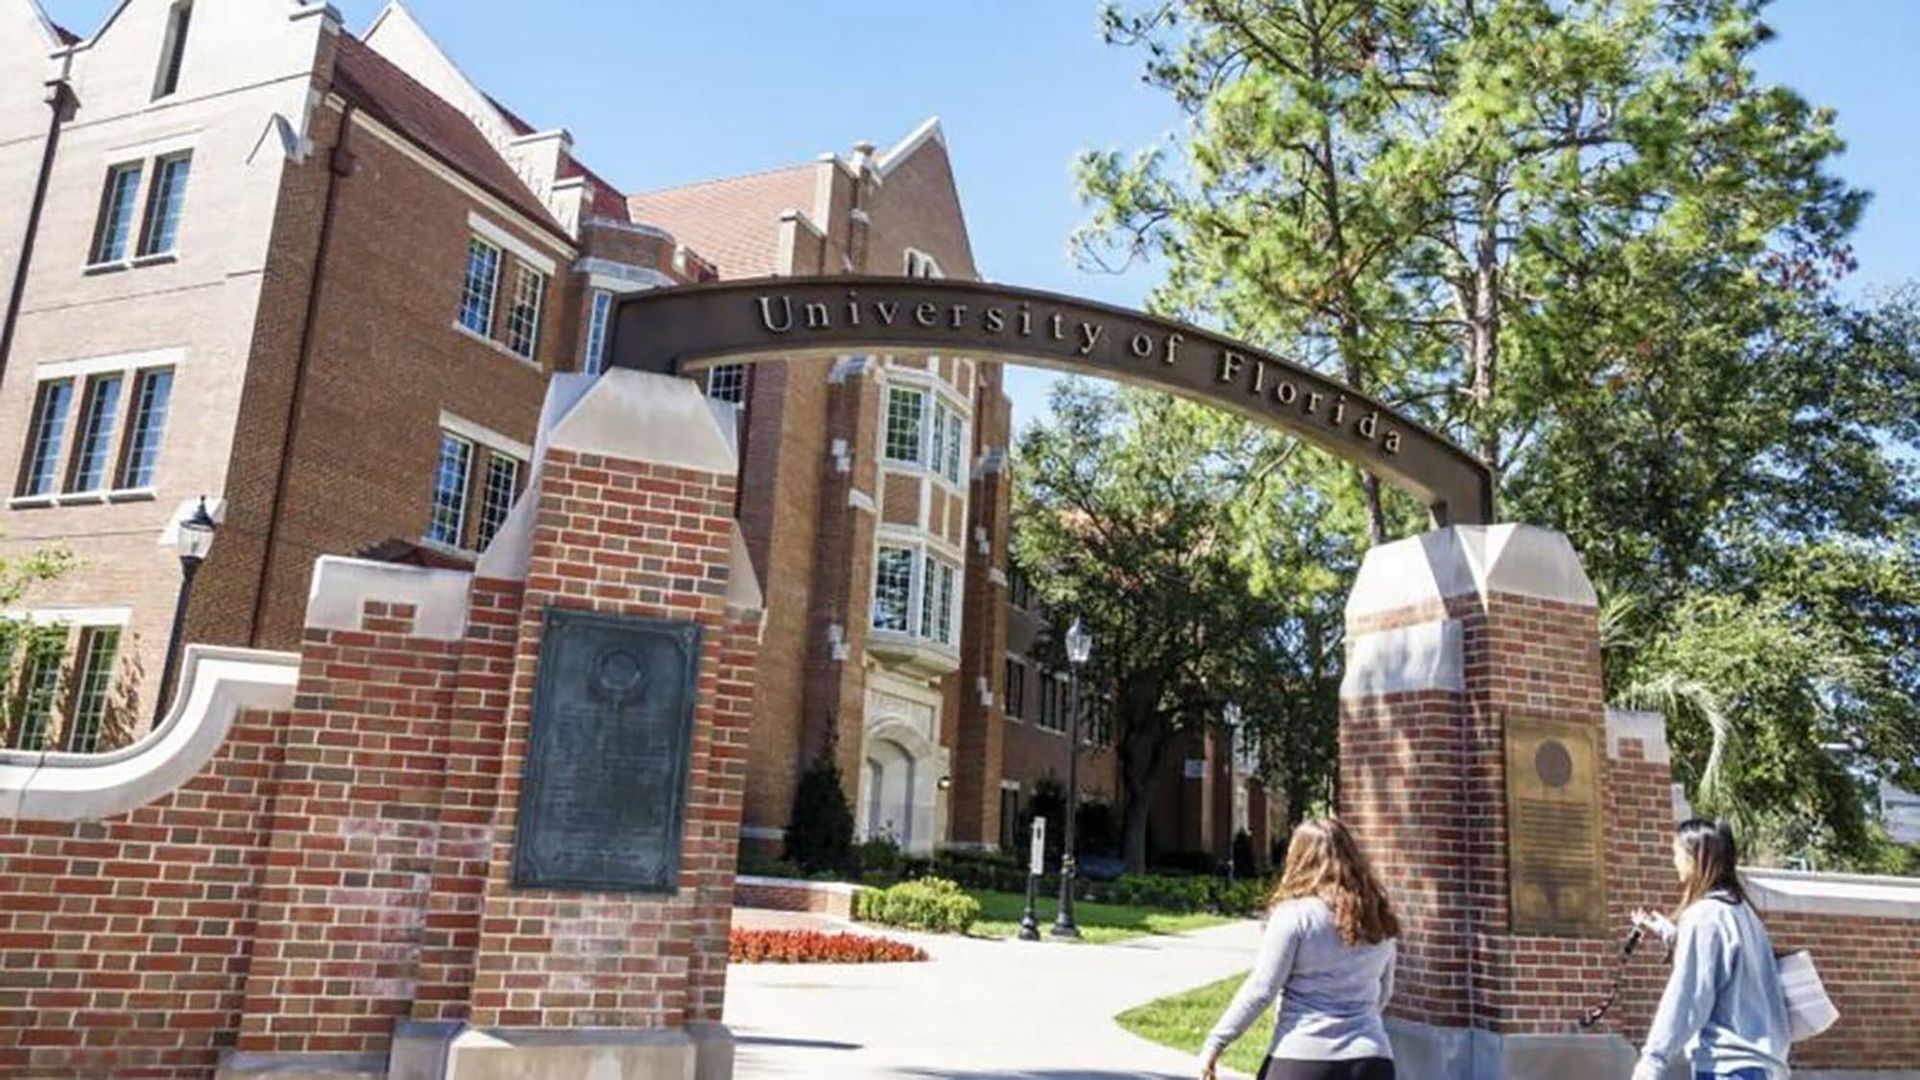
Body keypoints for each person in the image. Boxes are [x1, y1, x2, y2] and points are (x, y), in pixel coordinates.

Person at [1199, 818, 1398, 1080]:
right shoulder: (1377, 916)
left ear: (1298, 858)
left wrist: (1216, 1042)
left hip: (1303, 1057)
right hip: (1372, 1059)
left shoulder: (1294, 915)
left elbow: (1261, 989)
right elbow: (1384, 993)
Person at [1632, 818, 1792, 1080]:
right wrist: (1668, 932)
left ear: (1697, 857)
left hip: (1729, 1066)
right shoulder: (1743, 913)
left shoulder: (1704, 915)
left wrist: (1652, 1059)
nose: (1674, 862)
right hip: (1765, 1063)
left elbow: (1689, 994)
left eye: (1677, 853)